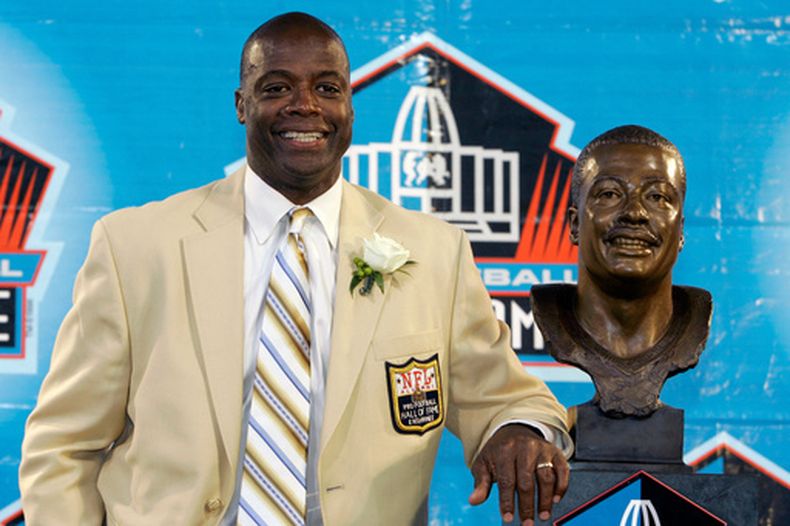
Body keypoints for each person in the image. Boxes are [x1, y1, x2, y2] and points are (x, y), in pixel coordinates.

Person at [20, 12, 572, 525]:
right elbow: (64, 445)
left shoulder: (434, 253)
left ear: (350, 106)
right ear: (241, 104)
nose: (304, 105)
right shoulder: (135, 247)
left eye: (327, 88)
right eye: (277, 87)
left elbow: (506, 395)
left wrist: (518, 429)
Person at [531, 125, 712, 418]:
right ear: (574, 224)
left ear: (680, 230)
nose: (635, 213)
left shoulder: (694, 320)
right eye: (610, 194)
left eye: (657, 197)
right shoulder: (552, 313)